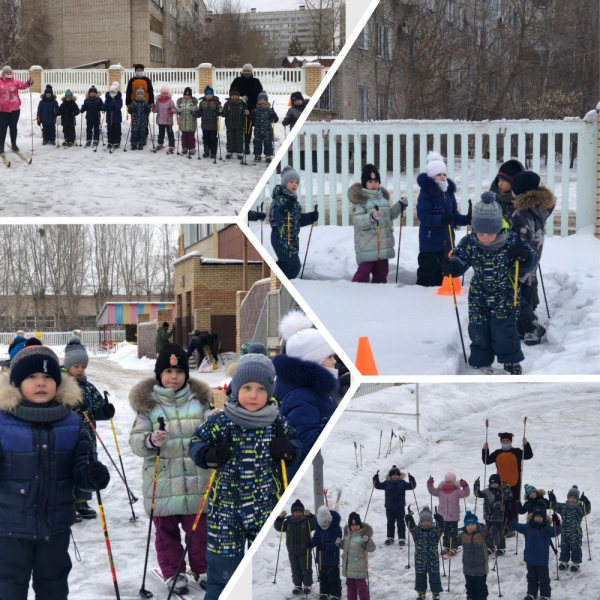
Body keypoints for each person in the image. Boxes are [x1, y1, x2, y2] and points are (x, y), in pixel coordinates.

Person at [188, 350, 301, 600]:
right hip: (225, 511)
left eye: (261, 389)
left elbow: (294, 444)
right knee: (224, 571)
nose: (253, 394)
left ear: (270, 392)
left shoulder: (277, 423)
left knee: (261, 569)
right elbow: (196, 441)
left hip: (265, 507)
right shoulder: (221, 421)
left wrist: (289, 451)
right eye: (247, 387)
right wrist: (208, 453)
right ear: (235, 388)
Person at [0, 344, 110, 600]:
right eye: (32, 377)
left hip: (56, 526)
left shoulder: (72, 423)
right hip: (9, 528)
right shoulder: (2, 421)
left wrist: (93, 475)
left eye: (48, 377)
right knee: (8, 587)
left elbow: (81, 467)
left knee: (54, 587)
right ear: (16, 383)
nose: (41, 383)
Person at [129, 343, 213, 595]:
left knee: (199, 532)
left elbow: (212, 431)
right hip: (163, 483)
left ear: (186, 375)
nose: (173, 377)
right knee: (166, 534)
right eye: (167, 371)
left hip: (197, 482)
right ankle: (173, 572)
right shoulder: (149, 407)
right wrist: (149, 441)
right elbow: (136, 441)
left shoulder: (200, 405)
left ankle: (202, 568)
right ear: (159, 375)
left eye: (178, 372)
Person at [442, 192, 538, 374]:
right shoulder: (471, 241)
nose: (485, 237)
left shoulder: (511, 240)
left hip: (505, 293)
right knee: (478, 329)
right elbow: (460, 257)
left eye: (490, 232)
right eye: (480, 232)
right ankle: (480, 362)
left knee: (504, 330)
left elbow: (530, 261)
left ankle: (511, 362)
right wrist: (453, 267)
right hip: (479, 293)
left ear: (497, 228)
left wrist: (524, 257)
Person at [274, 310, 338, 479]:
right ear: (314, 360)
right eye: (330, 356)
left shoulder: (312, 389)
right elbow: (306, 443)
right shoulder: (302, 395)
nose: (335, 361)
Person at [62, 336, 114, 520]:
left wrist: (105, 410)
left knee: (87, 466)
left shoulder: (89, 387)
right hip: (66, 437)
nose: (80, 370)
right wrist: (72, 407)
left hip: (88, 436)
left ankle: (82, 502)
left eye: (83, 366)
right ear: (68, 365)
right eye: (76, 366)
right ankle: (68, 502)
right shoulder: (60, 384)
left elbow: (97, 409)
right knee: (68, 467)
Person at [507, 170, 555, 345]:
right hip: (534, 254)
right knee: (525, 286)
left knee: (512, 290)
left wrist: (517, 250)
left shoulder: (522, 213)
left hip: (522, 257)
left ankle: (531, 326)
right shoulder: (538, 207)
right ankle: (523, 325)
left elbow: (522, 236)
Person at [416, 151, 471, 287]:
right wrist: (441, 219)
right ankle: (420, 294)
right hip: (430, 243)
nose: (442, 177)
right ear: (431, 176)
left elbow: (452, 215)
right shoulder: (426, 194)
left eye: (444, 174)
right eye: (438, 174)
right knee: (428, 272)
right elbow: (423, 217)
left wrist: (464, 220)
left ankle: (440, 296)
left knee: (443, 273)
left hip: (446, 242)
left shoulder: (448, 194)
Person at [350, 163, 407, 283]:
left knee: (382, 272)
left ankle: (380, 295)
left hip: (382, 243)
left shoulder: (383, 200)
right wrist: (371, 217)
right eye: (370, 181)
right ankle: (356, 290)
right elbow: (356, 220)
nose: (373, 184)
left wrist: (399, 206)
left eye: (376, 181)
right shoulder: (361, 200)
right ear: (365, 183)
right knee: (364, 271)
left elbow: (389, 216)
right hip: (367, 244)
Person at [269, 165, 318, 280]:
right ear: (285, 183)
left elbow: (297, 220)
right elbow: (274, 215)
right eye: (291, 181)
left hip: (292, 239)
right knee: (293, 265)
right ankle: (279, 283)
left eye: (296, 182)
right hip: (280, 238)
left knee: (288, 264)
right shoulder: (279, 199)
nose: (294, 184)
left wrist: (311, 217)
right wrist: (282, 210)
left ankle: (275, 280)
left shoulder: (294, 202)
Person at [482, 432, 533, 535]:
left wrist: (526, 444)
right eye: (503, 441)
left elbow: (528, 455)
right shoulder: (497, 453)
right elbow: (486, 461)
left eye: (507, 441)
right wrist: (485, 450)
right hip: (500, 485)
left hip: (514, 483)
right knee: (501, 505)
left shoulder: (517, 452)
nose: (505, 443)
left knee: (513, 505)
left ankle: (512, 526)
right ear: (501, 442)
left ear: (511, 442)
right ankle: (502, 525)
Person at [510, 501, 560, 600]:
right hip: (530, 559)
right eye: (536, 516)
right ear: (533, 517)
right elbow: (516, 526)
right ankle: (531, 593)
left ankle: (545, 595)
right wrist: (511, 517)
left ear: (544, 518)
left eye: (540, 517)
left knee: (543, 579)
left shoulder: (547, 529)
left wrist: (557, 523)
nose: (538, 518)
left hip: (542, 560)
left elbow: (556, 532)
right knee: (531, 578)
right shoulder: (527, 527)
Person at [274, 499, 317, 596]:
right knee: (295, 568)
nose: (297, 513)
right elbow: (278, 527)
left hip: (304, 550)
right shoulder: (288, 522)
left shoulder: (307, 521)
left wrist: (311, 516)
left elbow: (315, 525)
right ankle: (297, 585)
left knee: (306, 568)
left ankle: (307, 585)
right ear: (292, 512)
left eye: (300, 511)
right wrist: (280, 518)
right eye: (295, 511)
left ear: (302, 512)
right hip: (292, 550)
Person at [549, 486, 591, 573]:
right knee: (564, 547)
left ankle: (576, 562)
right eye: (570, 497)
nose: (572, 500)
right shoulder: (564, 507)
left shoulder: (579, 508)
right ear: (568, 498)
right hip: (565, 532)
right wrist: (553, 499)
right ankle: (564, 561)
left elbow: (586, 511)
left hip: (576, 533)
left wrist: (586, 503)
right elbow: (554, 507)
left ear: (577, 499)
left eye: (574, 498)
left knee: (575, 547)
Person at [406, 506, 444, 599]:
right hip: (420, 560)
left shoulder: (435, 531)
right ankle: (421, 593)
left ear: (431, 521)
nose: (426, 523)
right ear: (420, 522)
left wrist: (440, 519)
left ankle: (436, 594)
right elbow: (412, 527)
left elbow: (442, 528)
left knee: (434, 578)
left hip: (433, 560)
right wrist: (408, 518)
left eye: (428, 520)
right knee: (420, 578)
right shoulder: (417, 532)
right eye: (423, 521)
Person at [427, 472, 470, 554]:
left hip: (453, 516)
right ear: (444, 481)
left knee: (453, 532)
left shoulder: (457, 491)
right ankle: (446, 546)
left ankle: (454, 547)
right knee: (445, 532)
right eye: (447, 482)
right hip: (442, 516)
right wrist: (430, 484)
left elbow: (466, 493)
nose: (448, 484)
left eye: (450, 482)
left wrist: (465, 486)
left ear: (454, 483)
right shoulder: (440, 490)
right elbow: (432, 491)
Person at [373, 466, 416, 547]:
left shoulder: (403, 483)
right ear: (390, 476)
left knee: (401, 523)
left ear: (399, 476)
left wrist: (412, 479)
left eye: (397, 475)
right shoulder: (386, 483)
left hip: (400, 507)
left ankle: (402, 538)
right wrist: (375, 479)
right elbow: (378, 486)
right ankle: (390, 537)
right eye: (393, 475)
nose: (395, 476)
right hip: (389, 507)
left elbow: (412, 486)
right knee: (390, 522)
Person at [338, 512, 375, 600]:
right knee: (350, 589)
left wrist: (368, 541)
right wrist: (340, 543)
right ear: (350, 526)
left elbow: (372, 548)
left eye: (357, 525)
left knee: (362, 589)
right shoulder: (347, 536)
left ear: (360, 525)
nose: (355, 527)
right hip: (349, 569)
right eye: (353, 526)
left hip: (359, 568)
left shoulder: (363, 536)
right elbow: (346, 548)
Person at [309, 505, 343, 600]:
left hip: (332, 558)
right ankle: (324, 592)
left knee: (333, 577)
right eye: (322, 525)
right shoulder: (319, 529)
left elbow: (336, 543)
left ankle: (335, 593)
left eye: (325, 525)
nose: (323, 527)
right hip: (321, 558)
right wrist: (311, 543)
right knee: (322, 577)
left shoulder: (337, 529)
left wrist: (325, 546)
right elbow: (316, 538)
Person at [473, 474, 512, 554]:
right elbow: (478, 494)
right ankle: (490, 546)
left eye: (495, 483)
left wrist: (506, 488)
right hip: (488, 516)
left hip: (499, 516)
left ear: (499, 483)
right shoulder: (487, 491)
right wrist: (476, 486)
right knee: (489, 531)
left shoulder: (502, 491)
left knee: (499, 532)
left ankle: (501, 547)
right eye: (492, 483)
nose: (493, 485)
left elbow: (510, 497)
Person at [458, 511, 494, 600]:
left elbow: (494, 542)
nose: (470, 527)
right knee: (470, 589)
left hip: (481, 568)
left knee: (481, 589)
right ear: (465, 526)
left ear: (476, 524)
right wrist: (450, 533)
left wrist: (494, 534)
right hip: (468, 569)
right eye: (468, 525)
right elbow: (453, 542)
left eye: (472, 524)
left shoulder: (483, 534)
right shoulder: (462, 535)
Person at [230, 64, 263, 154]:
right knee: (238, 126)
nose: (246, 72)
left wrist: (248, 97)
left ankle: (247, 145)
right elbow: (232, 91)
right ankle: (237, 145)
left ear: (251, 72)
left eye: (248, 71)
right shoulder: (237, 80)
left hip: (251, 107)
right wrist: (238, 97)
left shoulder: (256, 81)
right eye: (245, 71)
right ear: (242, 71)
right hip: (237, 106)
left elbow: (259, 94)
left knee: (248, 126)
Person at [0, 66, 34, 154]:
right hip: (3, 109)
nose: (8, 74)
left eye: (10, 72)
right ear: (3, 74)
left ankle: (14, 144)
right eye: (6, 72)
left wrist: (28, 83)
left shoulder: (15, 82)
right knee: (2, 128)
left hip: (15, 109)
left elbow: (23, 85)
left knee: (13, 127)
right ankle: (1, 146)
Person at [250, 91, 278, 163]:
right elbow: (251, 119)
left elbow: (275, 120)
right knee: (257, 142)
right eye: (261, 100)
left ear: (266, 101)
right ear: (258, 100)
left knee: (268, 143)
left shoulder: (270, 110)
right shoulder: (255, 110)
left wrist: (273, 116)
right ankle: (257, 155)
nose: (262, 101)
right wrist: (250, 118)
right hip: (258, 130)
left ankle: (268, 155)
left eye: (264, 100)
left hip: (267, 130)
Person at [221, 87, 248, 160]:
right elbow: (224, 115)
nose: (234, 96)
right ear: (230, 96)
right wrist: (221, 111)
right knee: (230, 138)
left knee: (239, 139)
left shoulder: (242, 104)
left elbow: (245, 115)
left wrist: (246, 113)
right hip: (229, 125)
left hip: (239, 125)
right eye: (232, 95)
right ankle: (229, 151)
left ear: (238, 96)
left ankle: (239, 152)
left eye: (236, 95)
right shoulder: (227, 104)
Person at [198, 85, 221, 159]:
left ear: (212, 94)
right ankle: (206, 151)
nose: (208, 95)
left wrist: (218, 112)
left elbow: (220, 109)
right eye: (207, 94)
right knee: (205, 139)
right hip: (204, 125)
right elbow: (200, 112)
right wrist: (196, 114)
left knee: (213, 139)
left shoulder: (216, 102)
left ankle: (213, 152)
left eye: (210, 94)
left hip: (213, 125)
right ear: (205, 94)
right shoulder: (202, 102)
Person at [151, 84, 176, 152]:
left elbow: (174, 109)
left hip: (168, 120)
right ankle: (160, 143)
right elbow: (156, 109)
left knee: (170, 133)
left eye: (166, 93)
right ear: (161, 93)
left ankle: (171, 145)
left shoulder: (170, 101)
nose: (164, 94)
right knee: (161, 133)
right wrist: (154, 109)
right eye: (163, 93)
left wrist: (171, 111)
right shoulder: (158, 101)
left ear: (168, 94)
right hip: (160, 120)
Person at [176, 87, 199, 156]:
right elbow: (177, 112)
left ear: (190, 96)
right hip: (183, 123)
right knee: (184, 136)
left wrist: (194, 109)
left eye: (188, 95)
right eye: (186, 95)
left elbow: (197, 110)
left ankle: (192, 148)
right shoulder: (180, 103)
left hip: (191, 123)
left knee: (191, 136)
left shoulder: (193, 103)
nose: (187, 96)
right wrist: (178, 110)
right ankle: (184, 147)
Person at [103, 81, 123, 150]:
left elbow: (120, 105)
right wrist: (104, 107)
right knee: (110, 130)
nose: (113, 93)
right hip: (109, 117)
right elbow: (105, 105)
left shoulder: (118, 98)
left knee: (117, 130)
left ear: (116, 92)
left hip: (117, 117)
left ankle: (117, 142)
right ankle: (110, 141)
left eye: (114, 92)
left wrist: (115, 106)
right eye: (111, 92)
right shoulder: (108, 99)